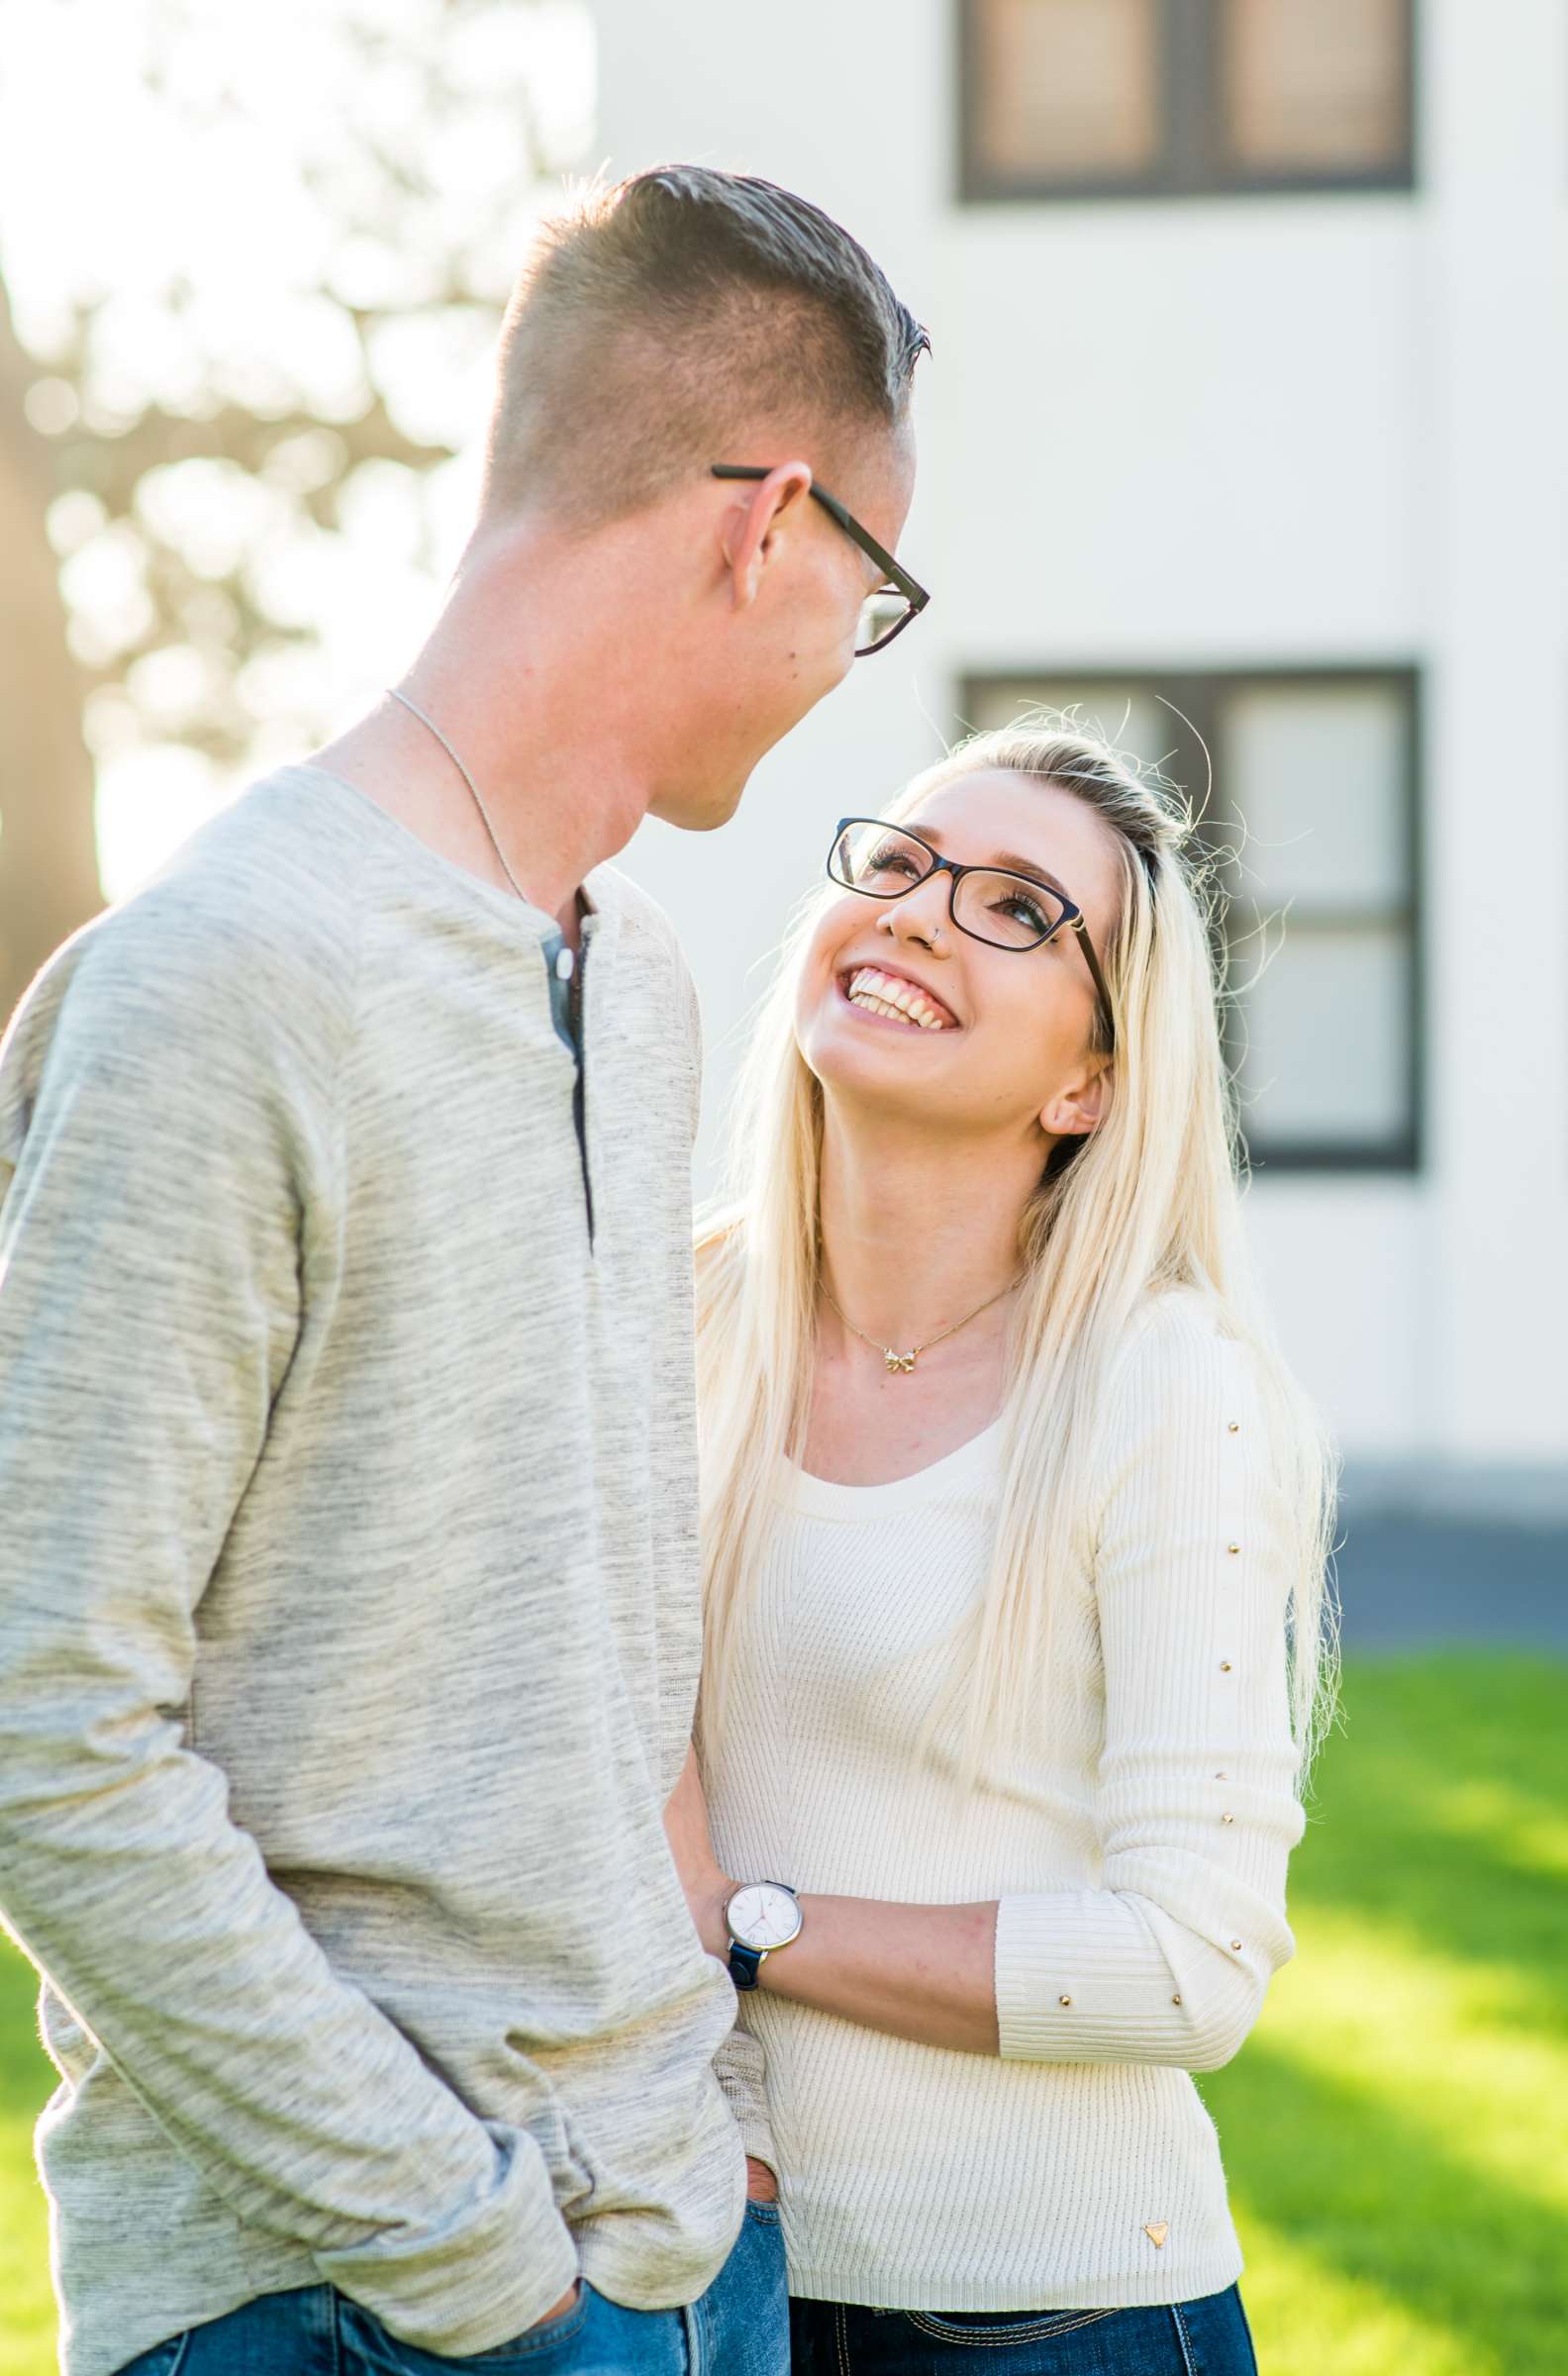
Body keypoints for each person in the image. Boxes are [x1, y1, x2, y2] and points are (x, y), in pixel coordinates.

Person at [0, 166, 927, 2376]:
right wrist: (458, 2253)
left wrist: (714, 2145)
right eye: (868, 596)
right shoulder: (220, 978)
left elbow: (600, 1637)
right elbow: (44, 1719)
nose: (839, 659)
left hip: (679, 2256)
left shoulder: (651, 986)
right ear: (765, 526)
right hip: (344, 2299)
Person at [663, 723, 1338, 2374]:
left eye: (1019, 909)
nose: (916, 911)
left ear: (1089, 1080)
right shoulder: (665, 1314)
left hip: (1047, 2317)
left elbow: (1193, 1963)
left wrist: (745, 1921)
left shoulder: (1161, 1382)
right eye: (895, 863)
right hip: (689, 2274)